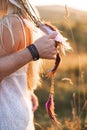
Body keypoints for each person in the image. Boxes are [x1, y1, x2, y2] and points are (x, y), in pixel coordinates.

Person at [0, 0, 57, 130]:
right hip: (16, 109)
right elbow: (16, 69)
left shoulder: (10, 23)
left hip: (5, 117)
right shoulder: (22, 20)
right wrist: (23, 89)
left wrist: (33, 51)